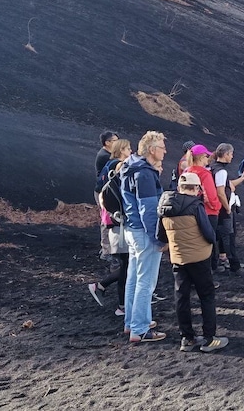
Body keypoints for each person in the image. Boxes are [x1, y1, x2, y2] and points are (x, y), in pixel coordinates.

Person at [157, 171, 229, 353]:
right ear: (196, 188)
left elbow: (160, 235)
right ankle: (209, 338)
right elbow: (207, 231)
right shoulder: (196, 205)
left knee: (181, 296)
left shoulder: (164, 204)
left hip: (178, 257)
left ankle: (186, 338)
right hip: (199, 257)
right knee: (206, 295)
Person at [119, 131, 168, 343]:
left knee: (133, 278)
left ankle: (132, 323)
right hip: (144, 233)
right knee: (146, 282)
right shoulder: (145, 174)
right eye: (162, 147)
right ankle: (140, 329)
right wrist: (159, 239)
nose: (165, 150)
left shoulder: (131, 167)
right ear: (151, 150)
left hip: (131, 229)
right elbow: (148, 211)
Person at [88, 138, 132, 315]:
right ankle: (119, 303)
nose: (131, 151)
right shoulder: (119, 166)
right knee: (127, 265)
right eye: (128, 148)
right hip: (118, 221)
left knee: (126, 263)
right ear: (121, 150)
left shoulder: (107, 166)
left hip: (111, 218)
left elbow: (99, 191)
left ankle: (116, 298)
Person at [210, 143, 244, 277]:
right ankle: (235, 266)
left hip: (218, 209)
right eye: (231, 154)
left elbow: (228, 185)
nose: (232, 157)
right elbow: (221, 192)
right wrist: (227, 209)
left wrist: (242, 178)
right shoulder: (221, 171)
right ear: (226, 154)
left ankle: (215, 264)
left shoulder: (213, 167)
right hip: (224, 209)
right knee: (229, 237)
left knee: (219, 237)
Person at [184, 144, 222, 277]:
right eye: (206, 156)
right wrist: (217, 207)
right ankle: (207, 275)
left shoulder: (186, 171)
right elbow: (211, 195)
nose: (208, 158)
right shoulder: (204, 173)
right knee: (208, 244)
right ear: (200, 158)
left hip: (189, 213)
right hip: (208, 213)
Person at [94, 131, 118, 261]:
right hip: (103, 192)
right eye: (114, 141)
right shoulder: (105, 156)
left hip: (105, 191)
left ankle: (107, 248)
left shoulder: (107, 155)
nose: (116, 143)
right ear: (107, 143)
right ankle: (106, 251)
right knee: (106, 220)